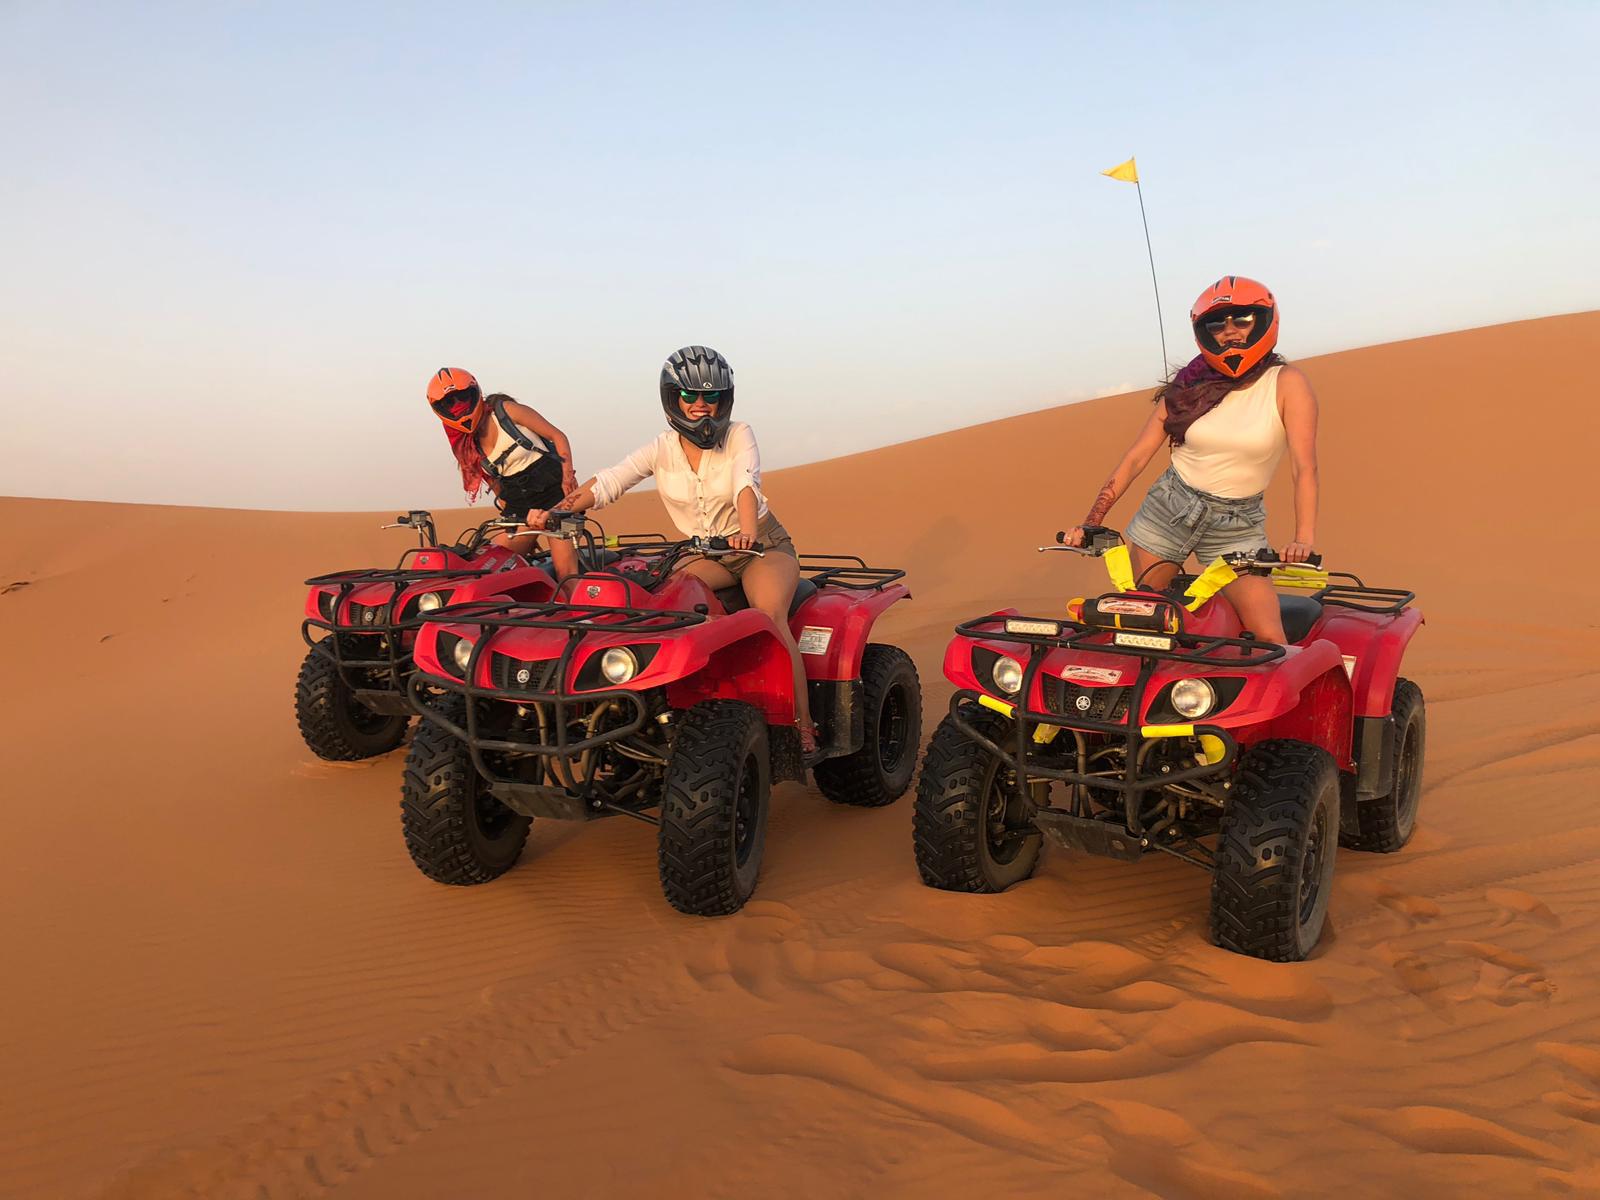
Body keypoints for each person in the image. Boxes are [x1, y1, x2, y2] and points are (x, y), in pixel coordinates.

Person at [554, 345, 816, 750]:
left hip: (761, 547)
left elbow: (747, 483)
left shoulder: (738, 434)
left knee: (769, 616)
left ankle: (799, 726)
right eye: (689, 395)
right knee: (663, 602)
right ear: (672, 397)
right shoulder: (661, 448)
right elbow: (610, 482)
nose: (699, 405)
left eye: (710, 396)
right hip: (704, 552)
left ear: (723, 399)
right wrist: (558, 510)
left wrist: (746, 531)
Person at [1062, 276, 1319, 643]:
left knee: (1269, 637)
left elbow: (1304, 467)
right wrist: (1092, 520)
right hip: (1170, 507)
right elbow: (1136, 458)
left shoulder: (1286, 383)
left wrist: (1303, 538)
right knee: (1138, 620)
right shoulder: (1188, 388)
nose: (1230, 333)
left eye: (1242, 320)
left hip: (1237, 522)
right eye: (1218, 324)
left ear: (1264, 321)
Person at [426, 367, 580, 577]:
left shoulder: (506, 411)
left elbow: (558, 436)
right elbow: (496, 484)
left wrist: (567, 477)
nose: (457, 407)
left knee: (566, 576)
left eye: (462, 398)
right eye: (449, 404)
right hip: (519, 508)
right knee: (486, 569)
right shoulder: (467, 445)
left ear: (474, 392)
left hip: (555, 497)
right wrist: (515, 522)